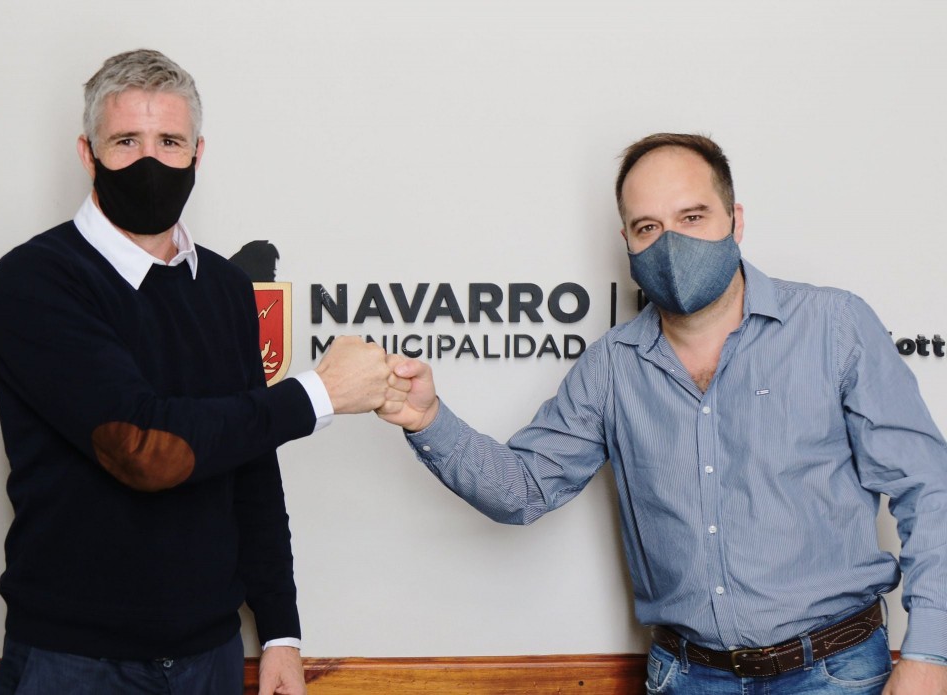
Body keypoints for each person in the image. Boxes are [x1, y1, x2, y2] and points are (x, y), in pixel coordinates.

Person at [377, 133, 947, 694]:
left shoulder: (833, 326)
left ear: (735, 220)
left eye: (692, 217)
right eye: (648, 227)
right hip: (688, 677)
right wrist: (427, 418)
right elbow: (522, 490)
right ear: (627, 240)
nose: (670, 244)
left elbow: (928, 488)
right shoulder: (611, 366)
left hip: (834, 672)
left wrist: (929, 653)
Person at [0, 49, 401, 695]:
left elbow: (252, 469)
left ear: (197, 153)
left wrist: (281, 632)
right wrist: (320, 392)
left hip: (210, 655)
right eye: (126, 141)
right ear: (88, 153)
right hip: (72, 661)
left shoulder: (227, 288)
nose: (149, 161)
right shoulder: (35, 279)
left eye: (170, 142)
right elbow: (144, 447)